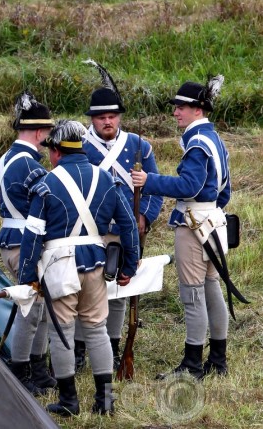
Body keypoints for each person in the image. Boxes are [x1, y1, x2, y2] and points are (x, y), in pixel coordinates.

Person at [18, 119, 139, 416]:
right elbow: (128, 226)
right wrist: (130, 264)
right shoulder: (107, 180)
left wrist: (27, 276)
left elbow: (32, 237)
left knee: (62, 334)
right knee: (97, 330)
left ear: (57, 151)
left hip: (60, 269)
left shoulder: (45, 184)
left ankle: (69, 402)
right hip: (96, 263)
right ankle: (105, 400)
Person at [131, 77, 231, 379]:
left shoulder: (198, 143)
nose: (176, 112)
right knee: (212, 289)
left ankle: (192, 365)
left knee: (193, 295)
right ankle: (218, 359)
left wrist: (151, 182)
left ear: (198, 110)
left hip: (194, 226)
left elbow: (189, 186)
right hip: (213, 222)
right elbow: (223, 190)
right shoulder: (215, 140)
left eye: (181, 107)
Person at [74, 60, 164, 373]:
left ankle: (112, 347)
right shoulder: (80, 147)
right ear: (93, 120)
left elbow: (154, 186)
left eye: (112, 116)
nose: (108, 121)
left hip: (127, 230)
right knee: (84, 289)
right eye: (101, 117)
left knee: (119, 292)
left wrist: (145, 217)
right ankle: (79, 349)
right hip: (91, 230)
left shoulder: (139, 145)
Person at [0, 90, 55, 396]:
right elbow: (51, 205)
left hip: (12, 239)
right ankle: (21, 369)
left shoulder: (4, 160)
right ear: (40, 132)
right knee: (31, 310)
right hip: (25, 244)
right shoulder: (30, 166)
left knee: (40, 307)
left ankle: (38, 367)